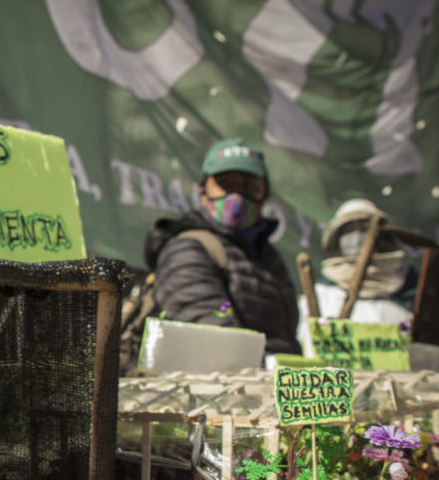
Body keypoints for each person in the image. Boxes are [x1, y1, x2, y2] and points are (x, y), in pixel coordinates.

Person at [142, 137, 301, 356]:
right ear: (203, 193)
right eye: (225, 185)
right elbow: (211, 334)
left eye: (249, 186)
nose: (236, 196)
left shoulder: (270, 258)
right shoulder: (188, 249)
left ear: (264, 195)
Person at [297, 198, 437, 355]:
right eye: (350, 230)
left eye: (364, 228)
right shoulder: (320, 294)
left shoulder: (411, 288)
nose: (357, 236)